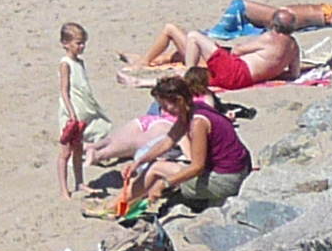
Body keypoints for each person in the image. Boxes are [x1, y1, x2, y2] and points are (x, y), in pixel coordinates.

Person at [108, 72, 255, 218]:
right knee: (155, 165)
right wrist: (139, 161)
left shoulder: (198, 122)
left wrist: (164, 184)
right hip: (238, 168)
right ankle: (120, 204)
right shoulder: (194, 108)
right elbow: (168, 141)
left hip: (225, 179)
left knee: (156, 169)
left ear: (179, 100)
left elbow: (197, 167)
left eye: (165, 106)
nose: (164, 111)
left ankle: (114, 207)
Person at [129, 20, 300, 92]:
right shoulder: (293, 47)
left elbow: (238, 51)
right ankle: (147, 60)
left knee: (176, 31)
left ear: (275, 26)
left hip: (233, 70)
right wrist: (271, 72)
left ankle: (144, 61)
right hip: (240, 78)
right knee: (180, 53)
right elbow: (293, 74)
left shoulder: (270, 38)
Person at [57, 22, 104, 200]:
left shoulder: (79, 63)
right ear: (66, 43)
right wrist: (71, 112)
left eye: (83, 42)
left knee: (78, 149)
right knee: (65, 152)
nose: (81, 46)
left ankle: (79, 182)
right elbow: (65, 90)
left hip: (82, 112)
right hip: (70, 113)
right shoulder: (65, 63)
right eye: (78, 43)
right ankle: (63, 189)